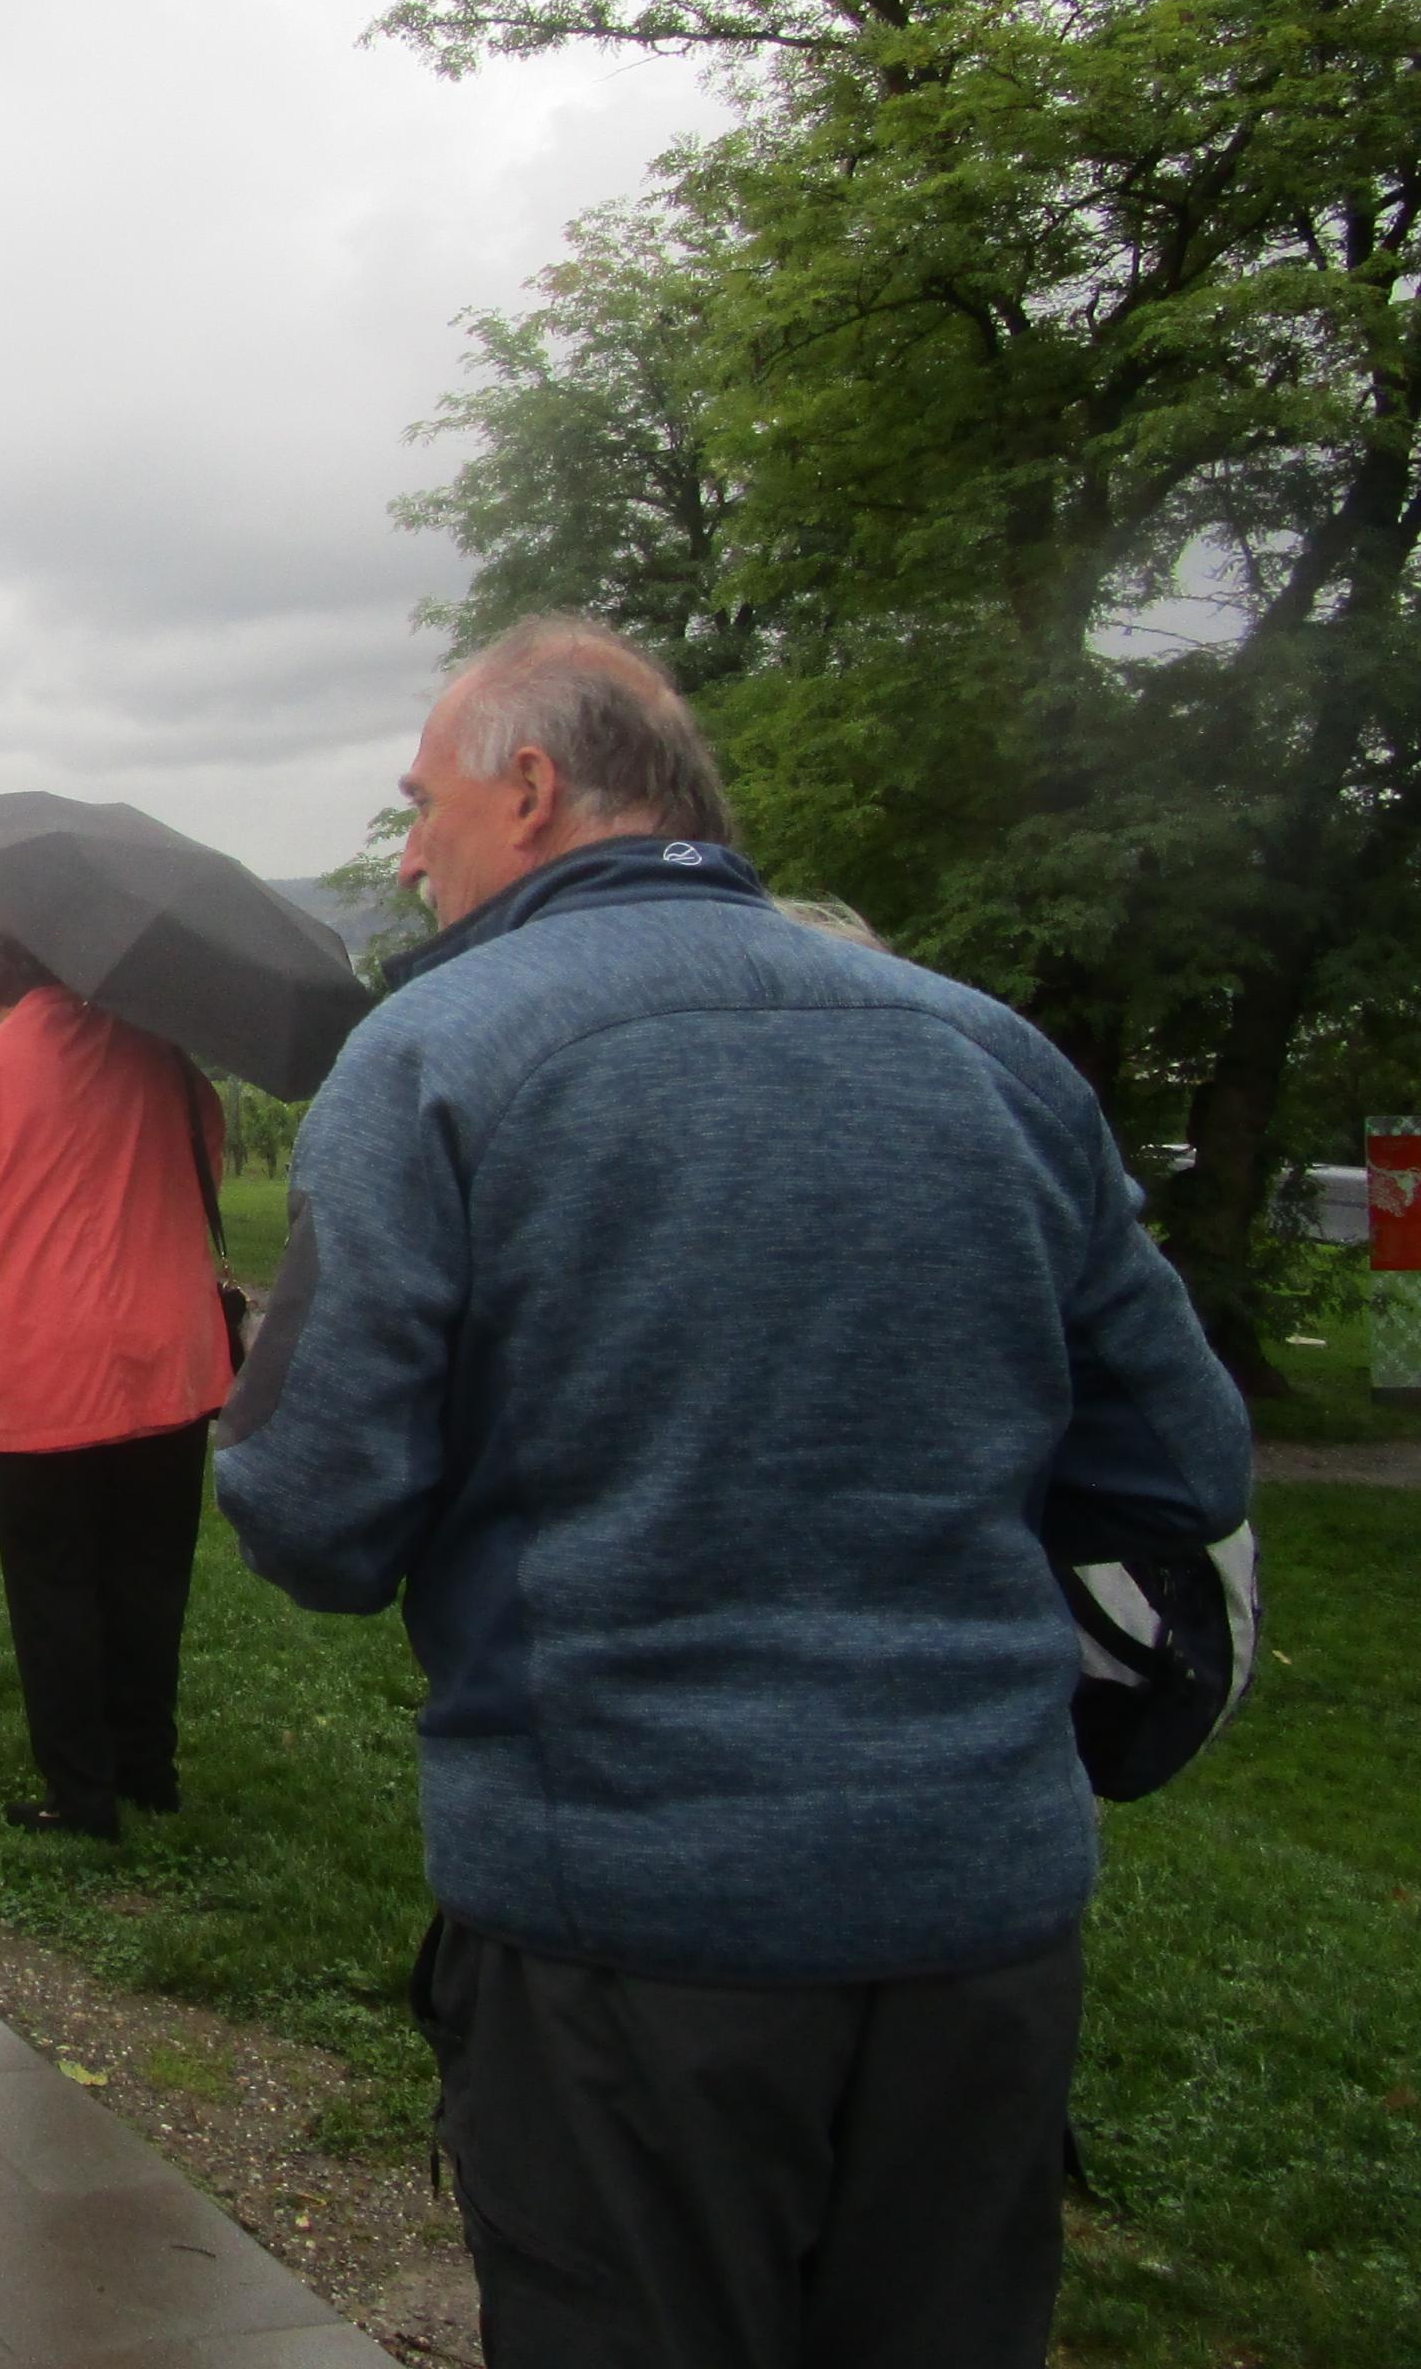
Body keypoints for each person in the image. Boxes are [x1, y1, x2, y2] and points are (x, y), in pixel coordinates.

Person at [212, 619, 1253, 2369]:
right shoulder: (989, 1052)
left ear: (528, 788)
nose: (404, 856)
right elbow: (1182, 1461)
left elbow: (310, 1514)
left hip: (626, 1925)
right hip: (978, 1914)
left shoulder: (434, 1059)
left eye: (420, 802)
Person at [0, 931, 232, 1839]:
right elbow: (207, 1161)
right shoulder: (165, 1060)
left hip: (44, 1365)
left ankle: (80, 1793)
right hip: (168, 1356)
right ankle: (148, 1768)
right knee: (150, 1576)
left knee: (53, 1585)